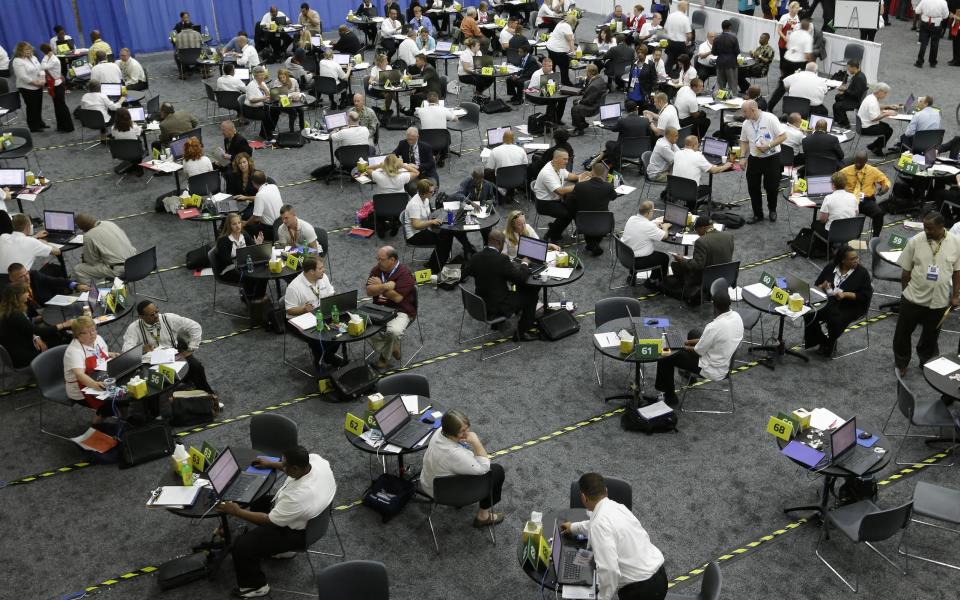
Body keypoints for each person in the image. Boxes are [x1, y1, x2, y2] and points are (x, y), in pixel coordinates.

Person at [217, 446, 336, 600]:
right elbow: (291, 468)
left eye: (284, 465)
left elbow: (269, 520)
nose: (282, 465)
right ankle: (278, 550)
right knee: (258, 502)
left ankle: (256, 587)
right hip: (310, 517)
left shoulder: (299, 497)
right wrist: (271, 464)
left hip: (298, 533)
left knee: (242, 545)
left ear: (294, 468)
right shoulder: (316, 460)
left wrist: (236, 511)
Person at [561, 473, 667, 600]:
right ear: (605, 490)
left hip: (641, 590)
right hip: (659, 574)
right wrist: (573, 528)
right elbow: (597, 523)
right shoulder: (617, 507)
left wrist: (601, 598)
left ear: (583, 497)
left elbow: (610, 571)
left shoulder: (599, 524)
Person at [893, 212, 960, 375]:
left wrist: (955, 295)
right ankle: (901, 363)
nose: (926, 231)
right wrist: (905, 293)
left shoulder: (956, 242)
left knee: (931, 335)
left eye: (930, 228)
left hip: (940, 299)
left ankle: (927, 362)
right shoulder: (916, 241)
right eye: (924, 227)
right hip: (913, 297)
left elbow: (957, 271)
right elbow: (906, 272)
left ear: (941, 226)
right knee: (903, 333)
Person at [653, 285, 743, 404]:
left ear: (714, 306)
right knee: (693, 333)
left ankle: (669, 396)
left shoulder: (714, 327)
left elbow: (697, 351)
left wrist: (679, 346)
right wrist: (684, 342)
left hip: (712, 368)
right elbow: (705, 340)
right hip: (724, 358)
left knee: (667, 354)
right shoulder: (736, 317)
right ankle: (688, 375)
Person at [420, 410, 506, 527]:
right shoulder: (454, 454)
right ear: (450, 433)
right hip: (443, 493)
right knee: (496, 471)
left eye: (467, 428)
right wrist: (476, 442)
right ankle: (483, 517)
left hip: (429, 482)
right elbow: (484, 468)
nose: (467, 433)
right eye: (462, 431)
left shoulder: (439, 432)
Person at [122, 300, 215, 395]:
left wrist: (191, 348)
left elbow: (195, 327)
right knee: (148, 386)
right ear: (141, 317)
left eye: (156, 311)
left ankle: (209, 396)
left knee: (196, 367)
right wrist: (141, 349)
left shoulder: (168, 318)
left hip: (174, 356)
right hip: (150, 362)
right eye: (151, 315)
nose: (156, 315)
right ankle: (153, 408)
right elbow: (126, 351)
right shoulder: (133, 328)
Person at [466, 230, 539, 340]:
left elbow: (470, 272)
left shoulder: (475, 256)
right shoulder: (502, 260)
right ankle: (522, 333)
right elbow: (521, 278)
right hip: (497, 306)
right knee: (531, 296)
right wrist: (524, 263)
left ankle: (497, 324)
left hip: (479, 302)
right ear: (500, 243)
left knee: (513, 291)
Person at [803, 245, 873, 356]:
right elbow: (817, 285)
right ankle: (824, 341)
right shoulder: (831, 267)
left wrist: (846, 294)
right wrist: (822, 286)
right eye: (852, 259)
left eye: (856, 258)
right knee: (809, 313)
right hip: (830, 300)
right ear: (842, 260)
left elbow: (865, 296)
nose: (856, 261)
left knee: (834, 320)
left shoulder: (862, 273)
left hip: (852, 305)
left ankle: (830, 342)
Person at [283, 256, 345, 374]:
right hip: (299, 320)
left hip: (321, 313)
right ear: (311, 272)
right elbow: (289, 310)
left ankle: (328, 356)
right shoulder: (294, 287)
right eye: (321, 268)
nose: (324, 270)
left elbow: (331, 293)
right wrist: (303, 309)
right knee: (319, 337)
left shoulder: (323, 277)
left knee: (341, 330)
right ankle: (319, 361)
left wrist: (337, 298)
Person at [403, 178, 476, 271]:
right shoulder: (414, 204)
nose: (433, 193)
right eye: (431, 192)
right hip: (415, 235)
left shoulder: (424, 199)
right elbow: (416, 225)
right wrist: (432, 222)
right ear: (424, 193)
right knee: (444, 237)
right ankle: (436, 266)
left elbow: (428, 215)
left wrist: (440, 214)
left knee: (449, 230)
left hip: (425, 227)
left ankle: (437, 262)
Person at [365, 246, 416, 369]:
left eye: (381, 259)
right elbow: (369, 291)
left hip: (401, 310)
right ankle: (392, 347)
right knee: (360, 325)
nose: (378, 262)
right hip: (378, 308)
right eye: (378, 258)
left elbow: (397, 298)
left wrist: (380, 286)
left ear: (392, 260)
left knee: (393, 331)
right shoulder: (376, 270)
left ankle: (384, 357)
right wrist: (386, 286)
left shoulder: (405, 273)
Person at [739, 100, 787, 224]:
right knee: (753, 187)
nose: (743, 114)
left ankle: (772, 210)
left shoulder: (770, 118)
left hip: (772, 158)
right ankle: (757, 214)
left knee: (771, 187)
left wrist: (769, 145)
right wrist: (743, 157)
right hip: (754, 159)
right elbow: (743, 141)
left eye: (745, 111)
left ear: (753, 110)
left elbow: (783, 136)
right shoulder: (746, 123)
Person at [670, 215, 735, 305]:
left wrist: (681, 259)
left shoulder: (701, 241)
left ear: (703, 228)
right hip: (727, 276)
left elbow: (697, 266)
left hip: (707, 279)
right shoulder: (729, 235)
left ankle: (691, 292)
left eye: (697, 230)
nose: (697, 233)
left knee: (675, 265)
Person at [63, 317, 118, 421]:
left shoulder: (97, 339)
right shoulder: (74, 351)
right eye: (87, 332)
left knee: (120, 389)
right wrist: (95, 385)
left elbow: (99, 354)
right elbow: (79, 375)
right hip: (80, 387)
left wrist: (111, 354)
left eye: (93, 329)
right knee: (110, 400)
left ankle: (124, 418)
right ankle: (96, 427)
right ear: (77, 335)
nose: (92, 334)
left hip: (98, 375)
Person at [564, 162, 618, 255]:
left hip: (583, 222)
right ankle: (594, 245)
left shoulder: (580, 186)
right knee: (597, 221)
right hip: (603, 223)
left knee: (584, 217)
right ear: (604, 174)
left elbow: (569, 201)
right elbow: (614, 197)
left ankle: (592, 245)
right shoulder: (608, 186)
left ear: (592, 172)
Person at [534, 149, 588, 243]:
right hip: (545, 204)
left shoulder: (559, 167)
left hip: (555, 200)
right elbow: (560, 191)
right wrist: (579, 185)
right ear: (555, 159)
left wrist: (582, 176)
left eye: (567, 159)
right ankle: (551, 235)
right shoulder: (547, 173)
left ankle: (578, 229)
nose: (567, 161)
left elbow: (570, 176)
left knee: (574, 206)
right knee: (567, 214)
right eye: (564, 159)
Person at [671, 135, 733, 212]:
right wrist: (725, 166)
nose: (699, 146)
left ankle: (688, 205)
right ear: (694, 145)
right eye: (698, 144)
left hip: (675, 189)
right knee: (707, 189)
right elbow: (714, 170)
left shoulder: (677, 153)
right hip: (690, 192)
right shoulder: (698, 157)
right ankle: (694, 205)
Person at [839, 151, 891, 238]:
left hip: (865, 201)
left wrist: (884, 188)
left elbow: (885, 181)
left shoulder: (872, 170)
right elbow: (834, 180)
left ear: (866, 161)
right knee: (838, 213)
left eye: (860, 163)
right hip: (849, 199)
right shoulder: (845, 171)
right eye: (856, 162)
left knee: (878, 213)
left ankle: (875, 237)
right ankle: (844, 236)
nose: (858, 164)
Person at [621, 201, 672, 288]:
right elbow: (664, 236)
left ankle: (632, 276)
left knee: (642, 248)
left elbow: (643, 226)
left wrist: (653, 224)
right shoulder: (648, 226)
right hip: (638, 261)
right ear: (648, 213)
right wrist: (665, 227)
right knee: (664, 258)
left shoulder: (632, 218)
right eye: (653, 211)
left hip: (625, 256)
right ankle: (654, 282)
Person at [215, 212, 266, 300]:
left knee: (263, 272)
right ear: (229, 225)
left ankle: (258, 298)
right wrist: (244, 259)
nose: (238, 226)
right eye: (234, 224)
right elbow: (226, 261)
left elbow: (252, 250)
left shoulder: (244, 234)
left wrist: (257, 245)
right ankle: (250, 299)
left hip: (244, 264)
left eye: (239, 223)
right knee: (250, 275)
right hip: (229, 269)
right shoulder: (223, 240)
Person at [73, 214, 136, 282]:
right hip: (135, 261)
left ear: (83, 228)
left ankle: (91, 292)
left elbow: (92, 262)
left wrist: (85, 258)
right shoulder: (108, 223)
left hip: (121, 269)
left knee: (79, 269)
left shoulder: (88, 236)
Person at [768, 18, 814, 111]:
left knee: (782, 85)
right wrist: (810, 63)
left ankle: (769, 106)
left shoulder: (793, 33)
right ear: (808, 28)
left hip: (787, 60)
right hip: (798, 63)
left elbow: (786, 46)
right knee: (797, 87)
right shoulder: (808, 37)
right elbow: (807, 54)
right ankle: (791, 110)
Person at [0, 283, 49, 368]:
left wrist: (36, 337)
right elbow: (37, 330)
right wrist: (63, 325)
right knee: (55, 341)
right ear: (17, 296)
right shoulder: (15, 314)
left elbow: (25, 326)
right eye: (25, 292)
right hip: (22, 356)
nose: (28, 294)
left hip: (17, 346)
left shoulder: (8, 309)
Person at [7, 262, 90, 306]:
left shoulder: (34, 275)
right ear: (12, 280)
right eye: (22, 276)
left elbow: (55, 281)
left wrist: (76, 285)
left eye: (26, 273)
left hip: (50, 306)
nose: (27, 278)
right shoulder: (10, 293)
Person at [11, 42, 46, 132]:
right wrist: (36, 83)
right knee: (32, 107)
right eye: (26, 49)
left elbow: (41, 69)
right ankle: (33, 126)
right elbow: (22, 76)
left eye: (29, 49)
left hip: (38, 85)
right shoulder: (17, 61)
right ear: (20, 51)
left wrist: (43, 79)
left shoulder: (33, 57)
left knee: (38, 105)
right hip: (26, 88)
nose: (28, 51)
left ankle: (40, 123)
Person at [38, 43, 73, 132]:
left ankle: (68, 127)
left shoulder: (53, 60)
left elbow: (42, 66)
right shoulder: (50, 58)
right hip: (55, 84)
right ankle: (61, 126)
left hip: (58, 85)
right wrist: (47, 55)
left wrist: (46, 55)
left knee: (61, 106)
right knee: (57, 106)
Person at [414, 92, 457, 164]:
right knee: (446, 134)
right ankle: (442, 156)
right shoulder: (444, 109)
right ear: (438, 100)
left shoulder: (420, 110)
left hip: (425, 140)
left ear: (427, 101)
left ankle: (432, 155)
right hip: (442, 140)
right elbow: (455, 119)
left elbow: (415, 113)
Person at [814, 172, 858, 240]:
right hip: (850, 232)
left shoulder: (828, 198)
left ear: (833, 185)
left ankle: (823, 248)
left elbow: (823, 220)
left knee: (815, 225)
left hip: (833, 233)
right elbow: (856, 214)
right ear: (845, 184)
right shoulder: (853, 197)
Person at [858, 83, 898, 157]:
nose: (886, 95)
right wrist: (888, 113)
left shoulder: (871, 97)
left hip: (863, 124)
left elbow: (877, 106)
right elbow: (874, 118)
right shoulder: (872, 102)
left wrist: (888, 106)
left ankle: (873, 145)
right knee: (889, 130)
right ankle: (877, 149)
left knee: (886, 126)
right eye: (885, 93)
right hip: (865, 128)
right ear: (879, 91)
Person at [569, 64, 607, 136]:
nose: (586, 72)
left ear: (590, 73)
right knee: (575, 102)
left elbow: (589, 101)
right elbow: (591, 82)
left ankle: (579, 129)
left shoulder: (594, 86)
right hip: (597, 102)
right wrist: (585, 79)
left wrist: (580, 101)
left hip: (593, 107)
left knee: (575, 109)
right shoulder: (600, 79)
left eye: (587, 71)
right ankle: (582, 123)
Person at [529, 56, 568, 124]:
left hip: (548, 93)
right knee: (552, 101)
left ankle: (557, 119)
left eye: (551, 66)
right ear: (543, 66)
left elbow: (554, 85)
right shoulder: (537, 75)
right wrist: (544, 90)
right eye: (549, 66)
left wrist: (557, 86)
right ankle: (549, 121)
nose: (551, 68)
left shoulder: (551, 72)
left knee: (563, 99)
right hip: (535, 96)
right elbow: (532, 90)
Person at [245, 171, 283, 241]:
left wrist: (245, 223)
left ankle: (255, 246)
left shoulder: (259, 196)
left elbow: (256, 218)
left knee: (247, 228)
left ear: (253, 183)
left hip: (270, 230)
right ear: (265, 178)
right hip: (281, 224)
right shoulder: (274, 186)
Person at [832, 59, 867, 128]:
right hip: (854, 97)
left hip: (855, 101)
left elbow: (856, 94)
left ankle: (845, 123)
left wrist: (845, 90)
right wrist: (845, 91)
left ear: (854, 67)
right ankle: (839, 119)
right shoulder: (858, 75)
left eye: (849, 68)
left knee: (837, 106)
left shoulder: (859, 78)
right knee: (838, 96)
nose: (848, 70)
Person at [915, 0, 950, 68]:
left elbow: (917, 11)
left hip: (925, 22)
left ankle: (919, 61)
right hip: (937, 23)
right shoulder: (943, 2)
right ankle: (932, 62)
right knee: (935, 44)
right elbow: (946, 15)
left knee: (923, 43)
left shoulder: (924, 0)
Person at [458, 38, 494, 103]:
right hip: (465, 75)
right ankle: (478, 94)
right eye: (478, 45)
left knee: (491, 77)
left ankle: (478, 93)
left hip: (477, 73)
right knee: (481, 80)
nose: (479, 47)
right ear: (472, 46)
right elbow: (466, 69)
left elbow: (481, 64)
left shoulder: (478, 52)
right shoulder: (465, 54)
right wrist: (476, 72)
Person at [245, 67, 276, 140]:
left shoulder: (262, 83)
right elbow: (252, 100)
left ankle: (267, 132)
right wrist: (263, 98)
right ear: (255, 76)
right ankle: (267, 134)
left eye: (263, 75)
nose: (262, 77)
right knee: (267, 116)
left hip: (261, 106)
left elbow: (269, 95)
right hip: (251, 109)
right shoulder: (251, 85)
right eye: (260, 76)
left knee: (275, 112)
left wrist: (265, 89)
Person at [547, 13, 577, 85]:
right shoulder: (567, 26)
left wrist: (571, 48)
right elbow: (570, 39)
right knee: (564, 67)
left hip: (550, 47)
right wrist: (573, 52)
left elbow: (563, 38)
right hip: (558, 51)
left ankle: (551, 82)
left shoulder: (560, 23)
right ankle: (566, 82)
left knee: (552, 67)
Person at [663, 1, 693, 73]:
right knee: (683, 62)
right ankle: (678, 76)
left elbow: (665, 29)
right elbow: (689, 35)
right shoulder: (685, 18)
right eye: (686, 6)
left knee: (669, 62)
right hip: (680, 44)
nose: (686, 8)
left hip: (670, 42)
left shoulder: (670, 15)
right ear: (683, 7)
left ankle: (665, 77)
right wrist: (687, 41)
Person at [225, 153, 258, 219]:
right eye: (240, 163)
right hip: (240, 202)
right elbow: (231, 192)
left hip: (254, 202)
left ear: (248, 162)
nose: (242, 165)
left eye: (244, 162)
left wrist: (246, 198)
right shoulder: (235, 176)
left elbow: (261, 197)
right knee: (228, 214)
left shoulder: (256, 175)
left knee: (245, 216)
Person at [712, 20, 740, 92]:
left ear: (722, 27)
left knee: (721, 87)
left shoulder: (716, 38)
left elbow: (714, 53)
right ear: (730, 27)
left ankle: (721, 101)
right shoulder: (733, 38)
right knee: (732, 86)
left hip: (720, 63)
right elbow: (737, 52)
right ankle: (733, 101)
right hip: (731, 64)